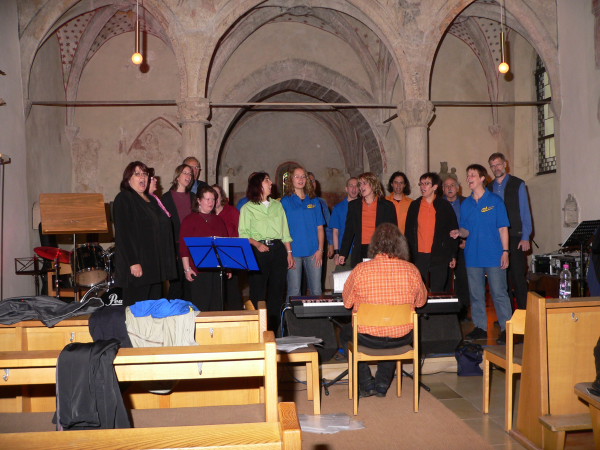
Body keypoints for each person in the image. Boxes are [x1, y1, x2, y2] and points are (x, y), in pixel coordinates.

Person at [342, 223, 427, 398]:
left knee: (345, 334)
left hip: (367, 338)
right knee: (392, 329)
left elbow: (347, 303)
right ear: (402, 245)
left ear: (374, 245)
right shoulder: (412, 270)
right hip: (402, 337)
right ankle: (381, 384)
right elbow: (421, 302)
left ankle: (366, 384)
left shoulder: (361, 270)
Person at [450, 164, 512, 345]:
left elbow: (503, 229)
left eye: (472, 175)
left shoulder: (495, 201)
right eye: (468, 175)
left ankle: (507, 329)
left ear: (482, 178)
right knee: (476, 294)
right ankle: (480, 326)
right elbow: (466, 230)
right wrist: (459, 233)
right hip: (473, 256)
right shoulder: (466, 204)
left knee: (499, 293)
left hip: (494, 255)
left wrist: (505, 252)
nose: (469, 178)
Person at [113, 161, 177, 306]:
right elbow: (124, 235)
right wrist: (133, 263)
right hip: (138, 265)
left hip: (155, 266)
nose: (142, 177)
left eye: (145, 174)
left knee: (154, 310)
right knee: (138, 310)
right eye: (137, 174)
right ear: (128, 179)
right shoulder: (124, 198)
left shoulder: (152, 200)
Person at [238, 172, 294, 331]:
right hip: (258, 251)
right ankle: (258, 329)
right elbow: (243, 234)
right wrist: (257, 244)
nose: (271, 183)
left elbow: (285, 232)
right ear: (258, 185)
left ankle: (274, 331)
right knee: (258, 292)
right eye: (267, 180)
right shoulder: (247, 208)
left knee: (277, 291)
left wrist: (289, 253)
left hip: (278, 250)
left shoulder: (277, 205)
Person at [487, 152, 533, 310]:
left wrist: (525, 236)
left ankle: (525, 315)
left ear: (505, 164)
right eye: (493, 166)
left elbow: (525, 211)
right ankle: (507, 316)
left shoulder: (518, 184)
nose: (496, 168)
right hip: (496, 239)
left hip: (515, 236)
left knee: (518, 277)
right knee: (501, 280)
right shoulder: (488, 188)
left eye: (498, 164)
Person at [405, 172, 458, 292]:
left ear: (435, 187)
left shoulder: (444, 206)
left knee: (438, 289)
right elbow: (408, 232)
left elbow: (452, 232)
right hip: (419, 255)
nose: (423, 187)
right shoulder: (414, 205)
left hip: (439, 255)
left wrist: (453, 255)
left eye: (427, 183)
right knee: (419, 289)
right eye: (421, 184)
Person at [180, 186, 229, 311]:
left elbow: (225, 245)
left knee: (217, 307)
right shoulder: (189, 220)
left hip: (217, 270)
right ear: (198, 200)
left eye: (213, 199)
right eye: (207, 199)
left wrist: (228, 267)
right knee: (201, 307)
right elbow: (184, 247)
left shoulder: (219, 220)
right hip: (197, 270)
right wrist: (187, 269)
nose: (211, 202)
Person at [281, 166, 326, 298]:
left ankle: (316, 313)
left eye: (303, 176)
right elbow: (283, 229)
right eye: (297, 176)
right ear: (291, 180)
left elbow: (320, 228)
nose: (300, 179)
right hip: (293, 252)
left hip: (313, 252)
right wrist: (288, 252)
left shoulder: (314, 200)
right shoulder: (285, 201)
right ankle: (291, 313)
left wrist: (320, 250)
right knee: (294, 291)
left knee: (316, 290)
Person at [339, 172, 397, 268]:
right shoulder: (354, 206)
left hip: (380, 250)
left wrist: (392, 252)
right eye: (360, 184)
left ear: (373, 185)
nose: (361, 187)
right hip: (360, 250)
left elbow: (392, 232)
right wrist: (343, 253)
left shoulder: (387, 206)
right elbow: (349, 231)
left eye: (364, 183)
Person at [161, 164, 196, 299]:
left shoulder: (193, 197)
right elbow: (164, 227)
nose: (188, 176)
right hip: (175, 246)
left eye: (190, 174)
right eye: (185, 173)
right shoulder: (166, 198)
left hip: (192, 245)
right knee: (176, 285)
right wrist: (170, 251)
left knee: (191, 284)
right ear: (177, 177)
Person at [443, 176, 470, 318]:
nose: (449, 188)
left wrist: (466, 240)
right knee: (445, 279)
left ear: (458, 188)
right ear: (443, 189)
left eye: (452, 185)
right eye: (446, 186)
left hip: (463, 246)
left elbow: (472, 224)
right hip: (445, 247)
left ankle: (463, 312)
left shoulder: (467, 202)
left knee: (463, 279)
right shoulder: (438, 204)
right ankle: (446, 312)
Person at [213, 183, 243, 310]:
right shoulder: (207, 213)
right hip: (213, 258)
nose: (214, 198)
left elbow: (240, 233)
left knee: (232, 293)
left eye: (217, 195)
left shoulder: (231, 211)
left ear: (222, 197)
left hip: (231, 256)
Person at [330, 177, 359, 268]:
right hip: (345, 251)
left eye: (356, 186)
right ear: (346, 189)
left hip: (359, 250)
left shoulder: (364, 206)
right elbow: (335, 232)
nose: (354, 189)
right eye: (351, 186)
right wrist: (337, 252)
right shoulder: (338, 208)